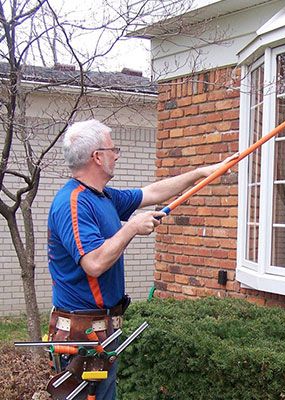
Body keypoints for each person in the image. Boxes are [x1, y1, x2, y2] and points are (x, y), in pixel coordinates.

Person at [46, 119, 235, 399]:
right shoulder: (74, 203)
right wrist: (132, 227)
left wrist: (201, 173)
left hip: (102, 332)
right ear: (97, 157)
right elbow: (94, 263)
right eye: (113, 148)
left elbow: (153, 193)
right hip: (82, 338)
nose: (117, 154)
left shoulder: (103, 197)